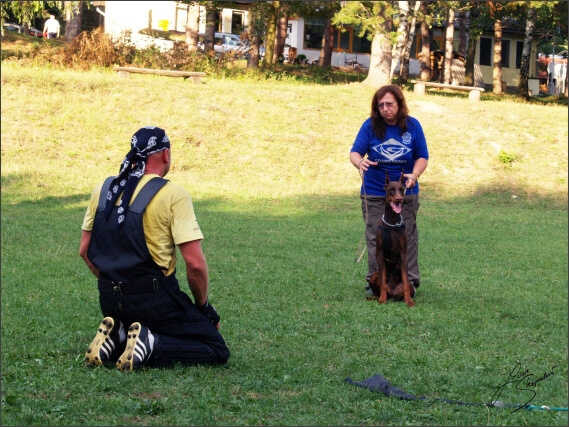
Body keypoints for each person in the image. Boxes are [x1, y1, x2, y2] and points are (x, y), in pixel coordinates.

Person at [79, 126, 230, 371]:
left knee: (142, 323)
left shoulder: (103, 189)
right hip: (155, 301)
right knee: (214, 347)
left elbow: (84, 250)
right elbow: (194, 263)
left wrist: (116, 283)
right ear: (166, 154)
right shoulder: (173, 194)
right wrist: (202, 307)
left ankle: (117, 335)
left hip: (109, 299)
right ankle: (150, 344)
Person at [350, 85, 429, 296]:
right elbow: (355, 152)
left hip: (406, 193)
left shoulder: (412, 126)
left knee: (407, 236)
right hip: (376, 192)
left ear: (400, 104)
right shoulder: (370, 126)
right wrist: (360, 163)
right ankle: (375, 282)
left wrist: (415, 174)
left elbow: (422, 156)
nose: (385, 108)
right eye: (381, 105)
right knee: (376, 236)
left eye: (389, 104)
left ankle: (409, 282)